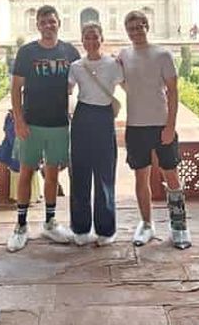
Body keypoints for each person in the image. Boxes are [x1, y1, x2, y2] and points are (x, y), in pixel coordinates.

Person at [7, 5, 80, 252]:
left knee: (52, 174)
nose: (48, 25)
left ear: (59, 23)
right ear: (37, 25)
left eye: (52, 21)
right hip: (32, 123)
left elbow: (83, 76)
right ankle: (21, 225)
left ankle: (50, 222)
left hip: (58, 123)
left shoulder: (69, 51)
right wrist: (19, 120)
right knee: (26, 172)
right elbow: (16, 88)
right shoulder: (27, 52)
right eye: (43, 22)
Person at [119, 10, 192, 249]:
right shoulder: (124, 55)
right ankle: (146, 224)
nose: (136, 32)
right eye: (131, 28)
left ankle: (179, 225)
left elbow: (173, 91)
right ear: (127, 31)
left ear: (146, 27)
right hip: (135, 125)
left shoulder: (162, 54)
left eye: (139, 27)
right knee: (141, 176)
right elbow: (123, 81)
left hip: (161, 124)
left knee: (171, 175)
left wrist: (171, 125)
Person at [67, 22, 123, 247]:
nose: (91, 41)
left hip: (103, 116)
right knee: (80, 173)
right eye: (87, 37)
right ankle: (80, 228)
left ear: (102, 38)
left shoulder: (113, 64)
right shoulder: (76, 66)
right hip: (82, 116)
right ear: (82, 40)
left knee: (104, 173)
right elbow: (67, 90)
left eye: (95, 37)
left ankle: (106, 229)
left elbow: (129, 86)